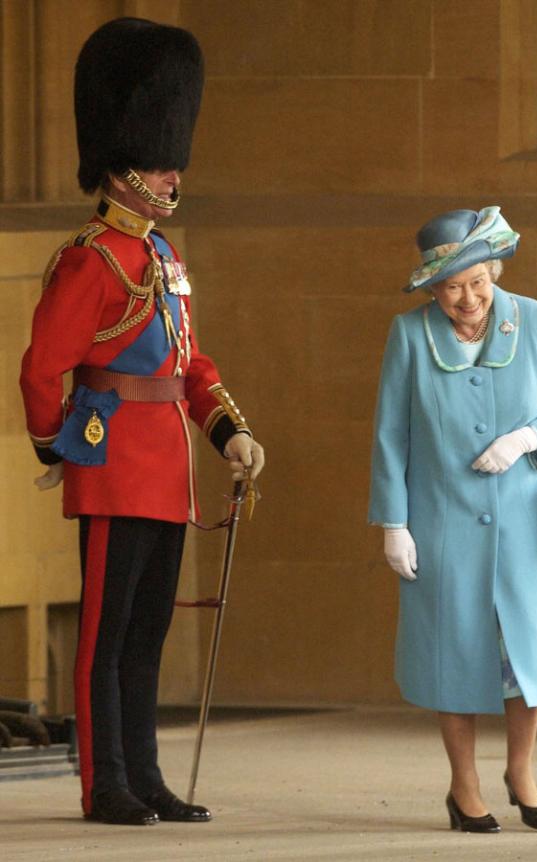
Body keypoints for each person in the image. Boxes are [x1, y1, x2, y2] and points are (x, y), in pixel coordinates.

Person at [20, 18, 264, 827]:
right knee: (104, 636)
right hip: (111, 465)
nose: (172, 172)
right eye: (160, 161)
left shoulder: (163, 261)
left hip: (167, 473)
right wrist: (55, 443)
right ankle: (104, 783)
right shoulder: (92, 260)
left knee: (147, 635)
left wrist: (229, 434)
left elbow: (191, 367)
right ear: (123, 169)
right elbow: (40, 366)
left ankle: (146, 777)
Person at [369, 207, 537, 833]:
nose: (467, 298)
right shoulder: (409, 335)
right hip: (440, 522)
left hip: (522, 523)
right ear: (432, 288)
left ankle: (521, 771)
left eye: (478, 282)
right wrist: (393, 522)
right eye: (452, 286)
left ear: (493, 270)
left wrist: (524, 440)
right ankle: (463, 788)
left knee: (527, 656)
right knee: (452, 653)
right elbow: (390, 435)